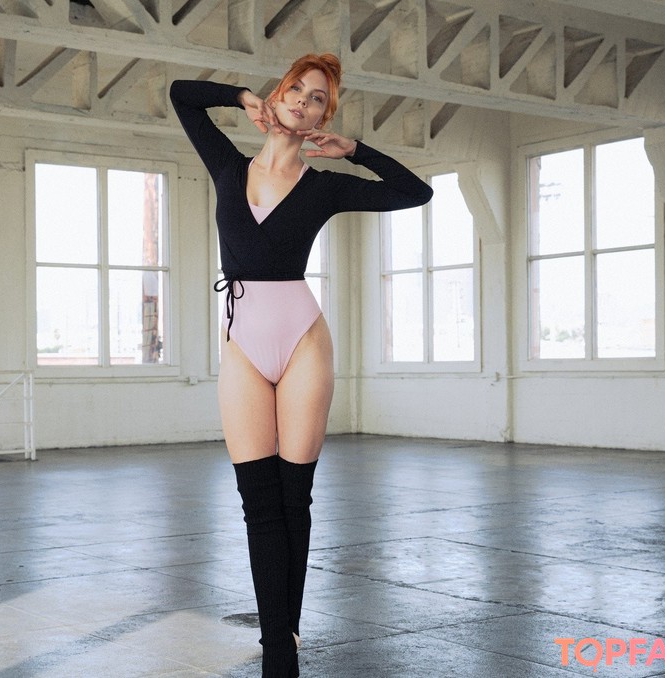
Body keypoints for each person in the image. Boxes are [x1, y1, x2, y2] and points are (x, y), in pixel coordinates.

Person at [169, 54, 432, 677]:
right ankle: (277, 641)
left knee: (294, 498)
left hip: (303, 339)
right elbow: (181, 94)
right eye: (296, 89)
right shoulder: (228, 166)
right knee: (257, 503)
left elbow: (415, 192)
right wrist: (240, 95)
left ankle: (281, 644)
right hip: (243, 343)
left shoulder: (324, 186)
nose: (304, 102)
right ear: (278, 95)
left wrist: (356, 150)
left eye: (317, 99)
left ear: (321, 119)